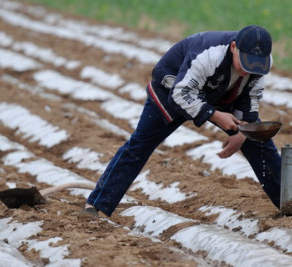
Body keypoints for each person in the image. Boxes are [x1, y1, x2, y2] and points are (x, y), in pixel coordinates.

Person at [80, 25, 281, 218]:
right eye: (244, 63)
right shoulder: (208, 54)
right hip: (173, 89)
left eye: (256, 65)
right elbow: (180, 94)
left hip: (221, 92)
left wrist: (242, 132)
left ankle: (288, 201)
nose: (248, 70)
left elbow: (252, 97)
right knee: (139, 146)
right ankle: (97, 206)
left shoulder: (261, 64)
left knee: (258, 140)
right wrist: (215, 115)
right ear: (234, 47)